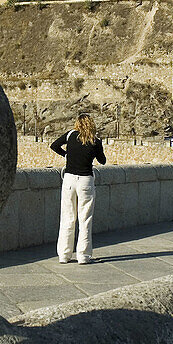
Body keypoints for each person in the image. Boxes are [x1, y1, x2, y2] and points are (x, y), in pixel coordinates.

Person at [50, 113, 106, 264]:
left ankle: (64, 255)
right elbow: (103, 160)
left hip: (69, 179)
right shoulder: (95, 140)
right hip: (86, 181)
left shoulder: (70, 135)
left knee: (67, 218)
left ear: (77, 124)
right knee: (85, 219)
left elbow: (54, 145)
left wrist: (67, 154)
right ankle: (83, 256)